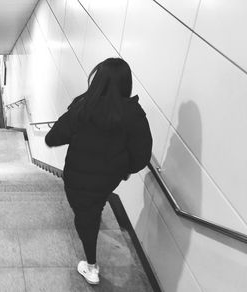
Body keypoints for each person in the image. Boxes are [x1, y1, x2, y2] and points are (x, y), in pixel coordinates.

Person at [44, 58, 152, 285]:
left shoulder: (83, 107)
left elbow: (52, 137)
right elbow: (141, 156)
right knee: (94, 205)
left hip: (76, 176)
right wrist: (125, 168)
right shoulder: (133, 113)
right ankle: (92, 214)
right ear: (126, 83)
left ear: (98, 81)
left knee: (85, 218)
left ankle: (91, 267)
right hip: (109, 180)